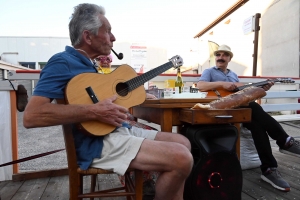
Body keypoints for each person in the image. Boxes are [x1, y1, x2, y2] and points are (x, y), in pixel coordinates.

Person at [23, 4, 193, 200]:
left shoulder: (88, 65)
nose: (113, 38)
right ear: (88, 37)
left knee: (182, 142)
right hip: (96, 144)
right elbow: (32, 115)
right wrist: (94, 112)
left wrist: (135, 96)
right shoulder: (62, 62)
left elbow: (103, 98)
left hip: (116, 131)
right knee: (181, 158)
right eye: (108, 32)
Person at [197, 44, 300, 192]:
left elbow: (243, 94)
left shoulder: (234, 76)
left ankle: (269, 169)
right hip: (220, 109)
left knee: (257, 125)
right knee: (254, 107)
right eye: (218, 54)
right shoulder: (209, 71)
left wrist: (261, 89)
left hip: (240, 109)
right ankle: (284, 141)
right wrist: (222, 84)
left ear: (229, 58)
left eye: (224, 55)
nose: (220, 57)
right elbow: (200, 85)